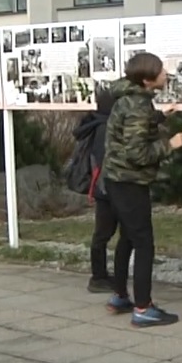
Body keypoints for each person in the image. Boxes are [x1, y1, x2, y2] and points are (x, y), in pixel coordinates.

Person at [102, 52, 182, 327]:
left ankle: (119, 296)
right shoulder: (138, 106)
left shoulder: (131, 99)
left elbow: (134, 129)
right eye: (162, 71)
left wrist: (160, 116)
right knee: (143, 243)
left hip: (117, 179)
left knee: (127, 236)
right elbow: (137, 153)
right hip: (130, 182)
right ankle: (143, 307)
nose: (166, 74)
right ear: (148, 79)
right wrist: (170, 145)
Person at [72, 83, 117, 293]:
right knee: (103, 234)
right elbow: (105, 161)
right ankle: (98, 277)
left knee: (104, 233)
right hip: (107, 188)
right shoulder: (105, 128)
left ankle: (101, 275)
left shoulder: (97, 123)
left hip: (102, 188)